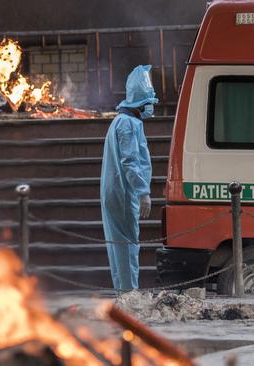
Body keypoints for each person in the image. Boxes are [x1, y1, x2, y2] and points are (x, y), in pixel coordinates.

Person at [100, 65, 158, 291]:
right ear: (141, 102)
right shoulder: (130, 124)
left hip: (114, 191)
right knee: (127, 245)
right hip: (125, 193)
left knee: (117, 244)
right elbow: (131, 162)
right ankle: (129, 294)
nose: (151, 107)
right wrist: (143, 192)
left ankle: (123, 294)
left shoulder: (119, 121)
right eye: (150, 101)